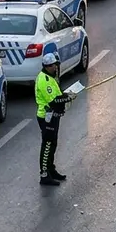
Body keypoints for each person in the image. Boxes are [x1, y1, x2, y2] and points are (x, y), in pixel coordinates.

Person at [35, 49, 73, 186]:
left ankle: (51, 170)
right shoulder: (44, 80)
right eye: (53, 65)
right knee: (47, 145)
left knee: (53, 144)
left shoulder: (51, 78)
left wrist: (66, 95)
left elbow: (58, 94)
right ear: (47, 66)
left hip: (54, 116)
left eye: (56, 64)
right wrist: (67, 98)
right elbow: (53, 101)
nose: (55, 67)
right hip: (46, 117)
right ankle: (44, 174)